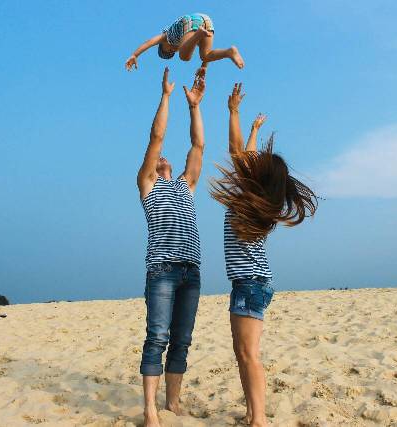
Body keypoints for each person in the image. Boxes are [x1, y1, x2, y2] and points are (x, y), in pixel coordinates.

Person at [210, 83, 318, 427]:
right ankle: (251, 413)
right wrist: (254, 130)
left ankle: (259, 420)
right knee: (243, 355)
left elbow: (235, 152)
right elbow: (245, 159)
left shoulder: (249, 198)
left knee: (248, 355)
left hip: (249, 284)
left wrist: (234, 113)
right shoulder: (260, 200)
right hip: (254, 283)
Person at [137, 67, 207, 427]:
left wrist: (194, 106)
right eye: (160, 158)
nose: (164, 157)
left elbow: (198, 146)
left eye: (167, 158)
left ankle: (173, 404)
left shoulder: (185, 185)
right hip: (162, 271)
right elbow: (156, 137)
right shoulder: (148, 185)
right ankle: (151, 410)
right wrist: (165, 96)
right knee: (158, 337)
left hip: (190, 271)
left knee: (182, 340)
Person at [125, 13, 244, 73]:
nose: (172, 50)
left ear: (162, 45)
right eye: (172, 53)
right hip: (206, 20)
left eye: (168, 50)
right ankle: (229, 52)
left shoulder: (165, 37)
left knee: (184, 57)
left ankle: (199, 33)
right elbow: (206, 57)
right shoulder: (186, 42)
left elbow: (149, 42)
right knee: (205, 55)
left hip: (190, 21)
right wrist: (204, 68)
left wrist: (135, 55)